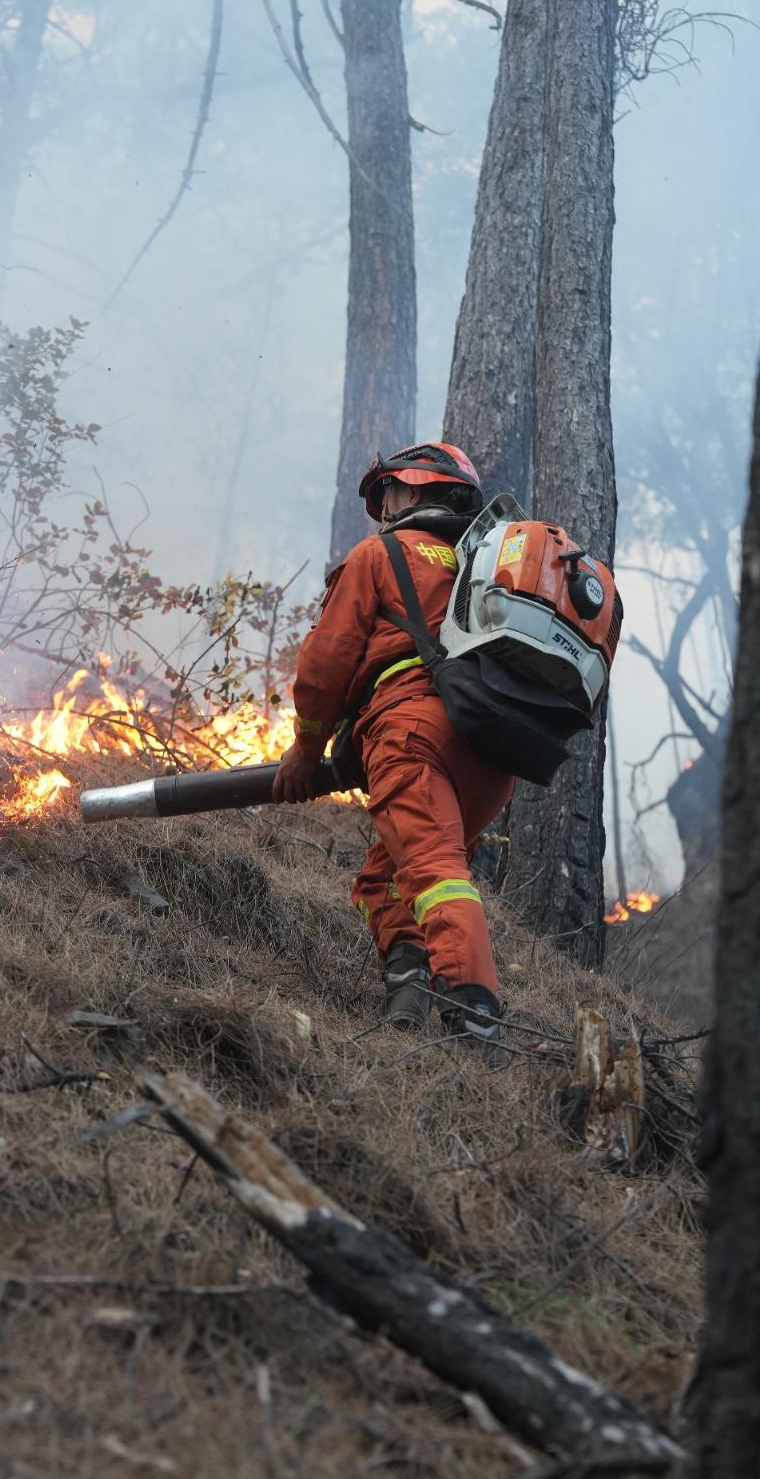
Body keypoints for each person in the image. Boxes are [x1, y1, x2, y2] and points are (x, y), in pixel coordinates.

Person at [272, 442, 514, 1063]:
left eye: (390, 494)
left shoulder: (382, 554)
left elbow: (326, 662)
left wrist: (307, 747)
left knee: (433, 873)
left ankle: (475, 1028)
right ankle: (408, 1001)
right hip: (492, 750)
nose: (385, 508)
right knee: (387, 876)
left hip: (412, 731)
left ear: (409, 491)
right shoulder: (485, 567)